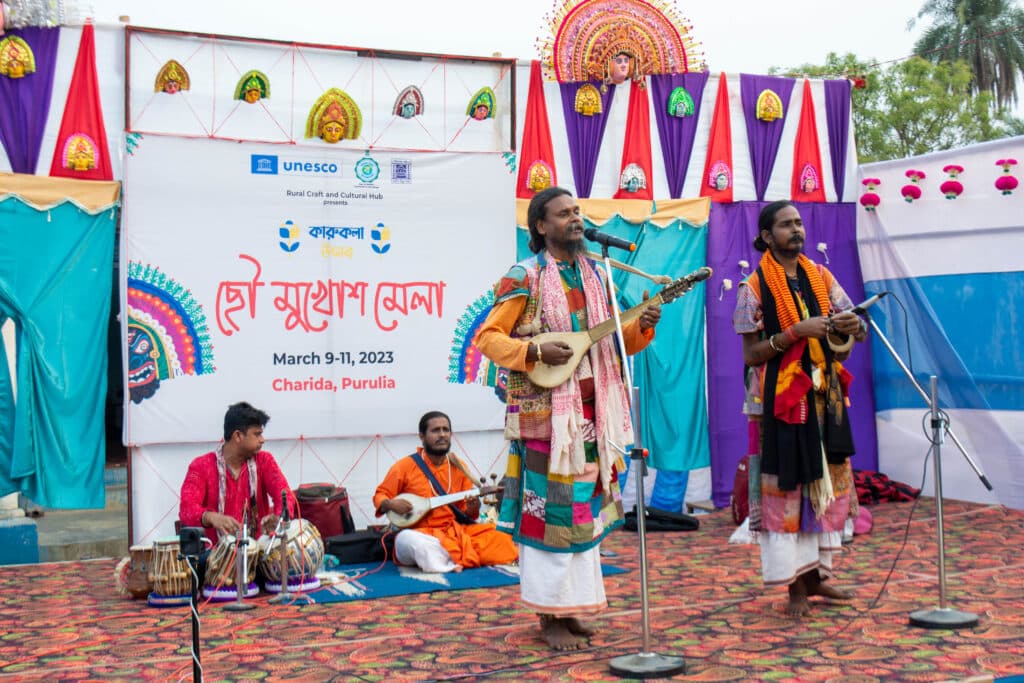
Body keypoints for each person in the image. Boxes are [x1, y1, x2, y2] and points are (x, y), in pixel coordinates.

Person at [475, 186, 662, 651]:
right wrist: (534, 349)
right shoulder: (526, 275)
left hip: (595, 420)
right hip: (547, 424)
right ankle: (548, 617)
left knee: (584, 517)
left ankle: (572, 609)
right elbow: (488, 338)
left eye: (578, 212)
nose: (576, 219)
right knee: (549, 519)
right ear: (541, 226)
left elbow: (619, 346)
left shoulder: (597, 276)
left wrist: (645, 323)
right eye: (564, 214)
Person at [733, 200, 866, 617]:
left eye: (799, 223)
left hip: (823, 397)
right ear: (767, 236)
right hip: (777, 403)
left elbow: (853, 325)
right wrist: (794, 332)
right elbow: (752, 354)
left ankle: (817, 577)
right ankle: (794, 586)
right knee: (786, 491)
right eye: (786, 225)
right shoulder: (751, 288)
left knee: (824, 486)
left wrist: (852, 326)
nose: (797, 229)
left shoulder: (820, 275)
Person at [373, 411, 518, 573]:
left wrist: (472, 508)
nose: (442, 435)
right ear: (422, 436)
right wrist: (391, 504)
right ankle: (447, 559)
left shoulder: (458, 466)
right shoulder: (405, 466)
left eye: (445, 430)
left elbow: (466, 513)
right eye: (435, 430)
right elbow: (380, 495)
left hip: (453, 533)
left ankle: (445, 559)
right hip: (418, 533)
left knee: (500, 536)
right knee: (413, 542)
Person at [179, 402, 297, 551]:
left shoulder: (264, 461)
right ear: (238, 436)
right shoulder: (201, 466)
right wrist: (211, 517)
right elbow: (186, 510)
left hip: (258, 555)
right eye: (257, 434)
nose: (262, 440)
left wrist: (278, 518)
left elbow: (285, 496)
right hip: (214, 560)